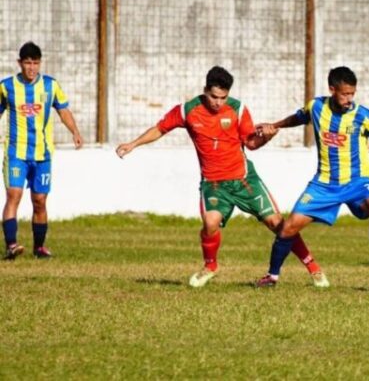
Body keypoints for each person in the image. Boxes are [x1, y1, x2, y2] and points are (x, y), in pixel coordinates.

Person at [116, 66, 328, 288]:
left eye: (223, 98)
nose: (218, 102)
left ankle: (314, 269)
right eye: (214, 97)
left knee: (278, 223)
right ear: (205, 90)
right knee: (210, 222)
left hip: (245, 180)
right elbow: (160, 128)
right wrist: (133, 144)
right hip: (214, 183)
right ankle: (210, 266)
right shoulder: (187, 110)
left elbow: (251, 144)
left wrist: (267, 137)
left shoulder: (238, 110)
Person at [254, 66, 369, 287]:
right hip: (324, 184)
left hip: (358, 181)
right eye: (345, 94)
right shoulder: (316, 106)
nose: (349, 99)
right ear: (332, 89)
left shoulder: (362, 115)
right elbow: (298, 118)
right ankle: (272, 277)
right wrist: (274, 125)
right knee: (289, 227)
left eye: (352, 93)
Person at [0, 42, 83, 260]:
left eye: (35, 63)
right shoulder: (6, 87)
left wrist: (74, 130)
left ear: (40, 63)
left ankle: (39, 248)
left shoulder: (50, 86)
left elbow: (63, 111)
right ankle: (11, 245)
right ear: (20, 63)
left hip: (43, 155)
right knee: (13, 195)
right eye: (27, 63)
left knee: (40, 200)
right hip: (16, 153)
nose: (31, 68)